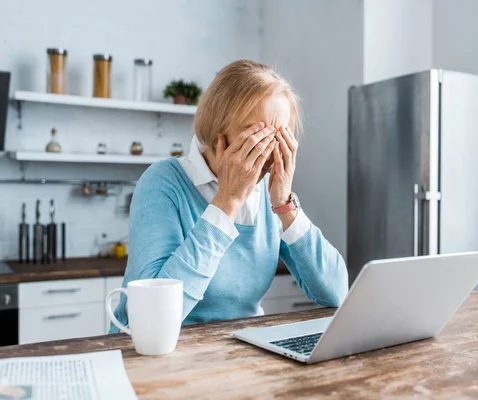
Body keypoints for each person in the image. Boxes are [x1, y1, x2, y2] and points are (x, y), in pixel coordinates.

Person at [109, 60, 348, 332]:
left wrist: (285, 205)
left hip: (240, 352)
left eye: (278, 138)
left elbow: (336, 292)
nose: (267, 152)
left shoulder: (270, 194)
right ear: (217, 131)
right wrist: (228, 201)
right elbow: (151, 319)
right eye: (256, 136)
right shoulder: (162, 182)